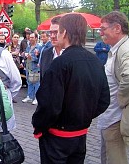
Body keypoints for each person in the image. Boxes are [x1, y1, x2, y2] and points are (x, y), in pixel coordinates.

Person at [32, 13, 110, 164]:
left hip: (57, 137)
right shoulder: (95, 61)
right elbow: (104, 99)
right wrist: (83, 115)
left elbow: (49, 104)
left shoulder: (60, 63)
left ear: (65, 33)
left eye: (59, 31)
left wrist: (39, 125)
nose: (56, 35)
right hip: (80, 135)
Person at [97, 11, 129, 164]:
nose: (101, 33)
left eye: (103, 29)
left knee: (114, 159)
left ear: (117, 28)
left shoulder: (127, 49)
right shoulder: (118, 48)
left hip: (115, 120)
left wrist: (120, 100)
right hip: (110, 118)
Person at [40, 16, 63, 81]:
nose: (52, 36)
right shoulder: (46, 53)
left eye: (56, 32)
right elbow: (42, 79)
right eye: (51, 32)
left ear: (64, 33)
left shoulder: (71, 55)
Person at [22, 32, 41, 105]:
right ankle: (29, 96)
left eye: (32, 37)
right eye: (30, 37)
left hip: (35, 67)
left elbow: (39, 59)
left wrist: (32, 58)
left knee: (36, 82)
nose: (31, 39)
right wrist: (24, 55)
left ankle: (36, 98)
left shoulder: (39, 47)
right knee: (29, 82)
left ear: (36, 38)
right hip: (28, 66)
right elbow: (25, 55)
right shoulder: (28, 47)